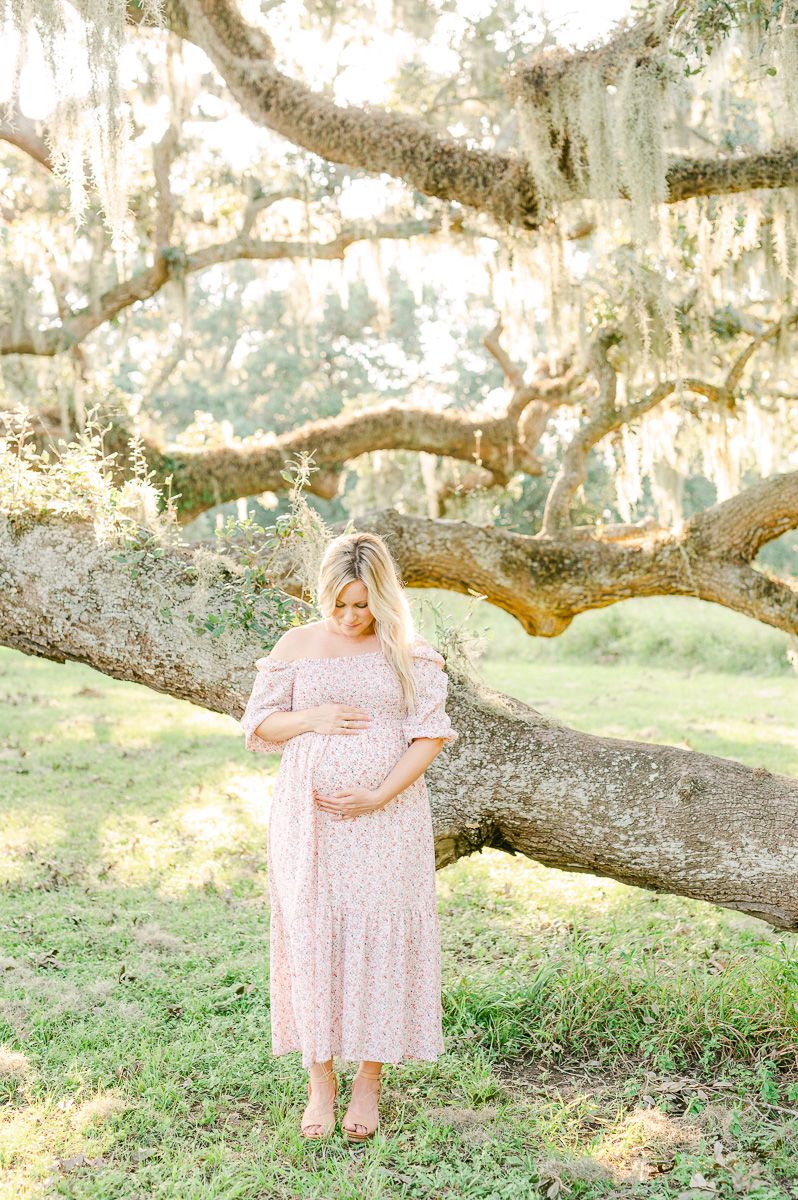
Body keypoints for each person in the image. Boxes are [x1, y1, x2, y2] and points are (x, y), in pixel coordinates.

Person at [240, 530, 459, 1141]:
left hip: (387, 820)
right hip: (308, 822)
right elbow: (259, 724)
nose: (349, 616)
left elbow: (429, 735)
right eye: (339, 603)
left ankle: (368, 1080)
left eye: (362, 604)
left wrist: (379, 794)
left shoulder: (410, 653)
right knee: (313, 933)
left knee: (381, 938)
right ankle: (320, 1081)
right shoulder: (297, 644)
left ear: (383, 597)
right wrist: (312, 717)